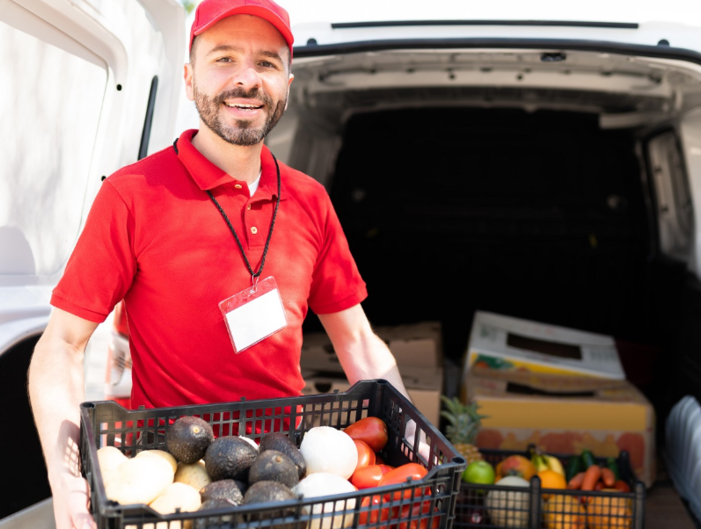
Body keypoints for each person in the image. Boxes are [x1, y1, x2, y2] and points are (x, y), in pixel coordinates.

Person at [27, 1, 414, 528]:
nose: (246, 80)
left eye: (267, 63)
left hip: (284, 474)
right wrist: (65, 478)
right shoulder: (132, 195)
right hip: (169, 478)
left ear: (287, 83)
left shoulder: (310, 201)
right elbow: (62, 347)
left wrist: (416, 443)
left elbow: (358, 343)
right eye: (224, 58)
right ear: (189, 79)